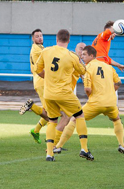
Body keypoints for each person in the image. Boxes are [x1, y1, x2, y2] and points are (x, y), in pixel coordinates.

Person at [54, 45, 124, 155]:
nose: (82, 56)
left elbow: (87, 89)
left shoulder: (88, 68)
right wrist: (109, 91)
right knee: (116, 119)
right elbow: (118, 83)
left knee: (74, 119)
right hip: (111, 103)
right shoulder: (108, 67)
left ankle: (58, 146)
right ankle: (122, 145)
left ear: (92, 55)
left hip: (96, 103)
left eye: (84, 55)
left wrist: (90, 94)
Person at [35, 29, 91, 162]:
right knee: (79, 115)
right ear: (69, 40)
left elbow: (37, 69)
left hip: (49, 93)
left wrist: (47, 77)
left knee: (52, 120)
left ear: (56, 39)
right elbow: (83, 70)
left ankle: (49, 154)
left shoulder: (46, 51)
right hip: (64, 93)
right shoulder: (71, 55)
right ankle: (84, 149)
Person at [19, 29, 49, 144]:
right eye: (37, 36)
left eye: (41, 35)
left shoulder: (39, 48)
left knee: (51, 111)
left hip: (41, 81)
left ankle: (36, 130)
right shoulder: (37, 49)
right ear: (33, 38)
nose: (40, 38)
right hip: (42, 80)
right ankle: (53, 142)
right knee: (51, 113)